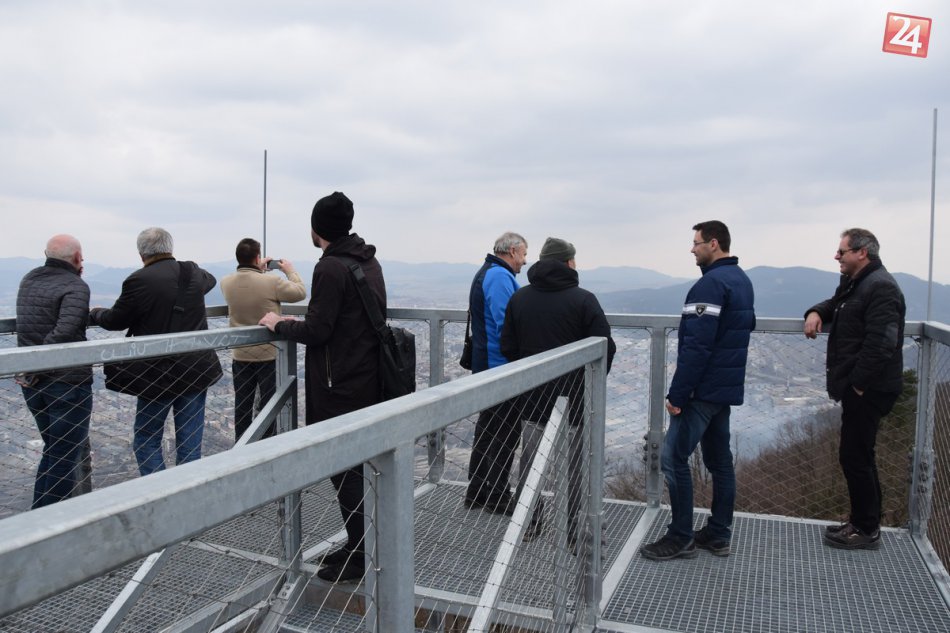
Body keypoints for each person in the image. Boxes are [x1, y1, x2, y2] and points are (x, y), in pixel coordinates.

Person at [260, 191, 384, 583]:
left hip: (339, 383)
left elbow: (318, 330)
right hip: (367, 377)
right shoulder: (367, 260)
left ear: (317, 229)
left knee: (344, 468)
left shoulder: (330, 268)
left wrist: (278, 323)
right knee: (357, 466)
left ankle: (361, 554)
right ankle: (360, 542)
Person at [640, 221, 755, 561]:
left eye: (696, 243)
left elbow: (697, 346)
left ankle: (681, 537)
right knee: (720, 461)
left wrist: (678, 394)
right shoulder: (742, 280)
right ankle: (718, 533)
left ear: (713, 244)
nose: (692, 249)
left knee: (673, 458)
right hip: (723, 389)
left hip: (702, 390)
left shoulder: (710, 285)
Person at [500, 237, 616, 541]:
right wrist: (591, 383)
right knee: (577, 464)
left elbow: (508, 346)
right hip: (576, 397)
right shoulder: (584, 300)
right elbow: (605, 347)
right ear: (569, 262)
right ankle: (573, 529)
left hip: (534, 396)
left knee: (531, 462)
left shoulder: (520, 298)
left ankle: (529, 522)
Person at [89, 227, 222, 476]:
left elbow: (115, 320)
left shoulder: (139, 280)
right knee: (190, 443)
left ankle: (161, 491)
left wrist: (96, 312)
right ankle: (188, 492)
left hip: (157, 374)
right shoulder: (192, 272)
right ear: (170, 248)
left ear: (141, 254)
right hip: (195, 368)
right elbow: (211, 280)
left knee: (147, 440)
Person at [804, 228, 905, 550]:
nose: (837, 256)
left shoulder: (881, 287)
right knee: (858, 455)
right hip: (864, 386)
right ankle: (863, 522)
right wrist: (816, 312)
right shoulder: (857, 283)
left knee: (856, 456)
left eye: (842, 251)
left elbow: (881, 343)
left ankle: (866, 528)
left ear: (862, 252)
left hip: (870, 389)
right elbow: (835, 305)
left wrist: (858, 385)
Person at [16, 234, 94, 508]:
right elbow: (65, 331)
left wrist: (32, 367)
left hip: (32, 383)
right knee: (64, 457)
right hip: (66, 382)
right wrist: (41, 363)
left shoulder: (29, 279)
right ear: (77, 258)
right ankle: (50, 522)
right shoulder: (75, 286)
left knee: (54, 451)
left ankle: (38, 515)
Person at [464, 231, 528, 515]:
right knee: (505, 433)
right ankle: (497, 496)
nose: (524, 261)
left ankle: (478, 491)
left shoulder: (487, 271)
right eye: (523, 254)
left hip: (487, 363)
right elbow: (507, 323)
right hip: (499, 365)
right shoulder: (500, 276)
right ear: (512, 251)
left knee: (489, 429)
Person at [221, 238, 306, 442]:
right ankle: (266, 444)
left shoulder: (226, 282)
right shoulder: (272, 282)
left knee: (242, 405)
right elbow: (300, 292)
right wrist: (290, 271)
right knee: (268, 406)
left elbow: (247, 287)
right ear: (258, 257)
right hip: (268, 354)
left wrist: (256, 270)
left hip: (240, 355)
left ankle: (241, 446)